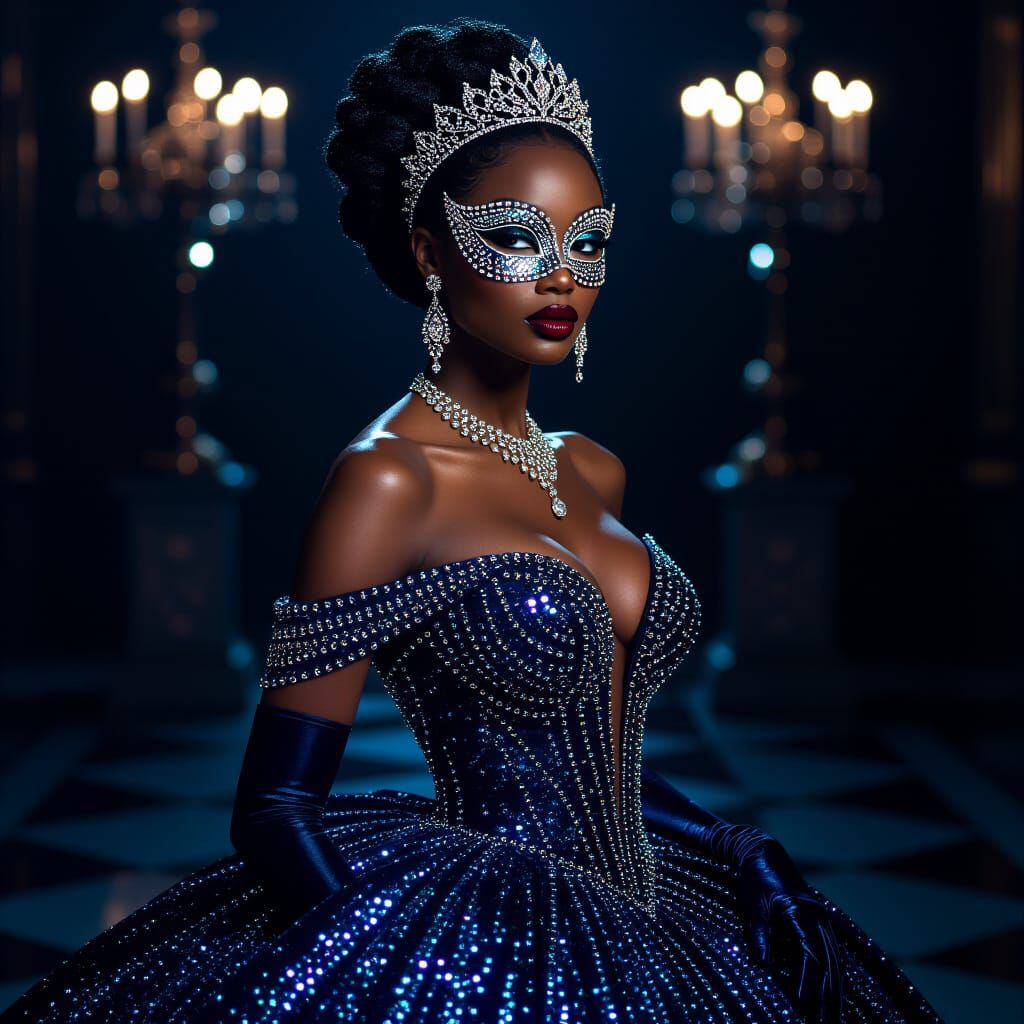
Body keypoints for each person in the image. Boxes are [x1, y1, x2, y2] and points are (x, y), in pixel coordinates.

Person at [2, 19, 946, 1024]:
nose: (561, 277)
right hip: (481, 919)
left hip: (655, 899)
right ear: (428, 248)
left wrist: (736, 847)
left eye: (588, 242)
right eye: (514, 235)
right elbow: (274, 808)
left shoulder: (591, 468)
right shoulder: (387, 482)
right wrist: (375, 958)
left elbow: (598, 760)